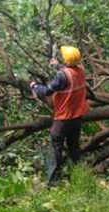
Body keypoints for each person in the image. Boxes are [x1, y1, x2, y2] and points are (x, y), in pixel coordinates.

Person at [30, 46, 89, 186]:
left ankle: (53, 183)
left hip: (63, 118)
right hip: (77, 117)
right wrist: (57, 66)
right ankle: (79, 178)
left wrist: (34, 86)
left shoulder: (62, 76)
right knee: (74, 147)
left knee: (55, 147)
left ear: (66, 60)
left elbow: (48, 91)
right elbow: (68, 75)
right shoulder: (80, 70)